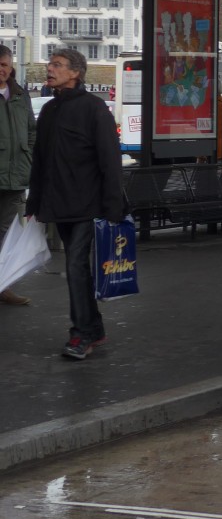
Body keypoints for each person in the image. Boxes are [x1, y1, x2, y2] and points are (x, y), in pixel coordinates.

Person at [26, 48, 124, 360]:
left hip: (88, 204)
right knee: (77, 266)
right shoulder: (51, 110)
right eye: (50, 64)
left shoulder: (94, 108)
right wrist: (35, 204)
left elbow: (110, 160)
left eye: (57, 65)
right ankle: (94, 329)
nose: (49, 68)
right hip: (61, 203)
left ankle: (81, 334)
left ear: (76, 73)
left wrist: (113, 207)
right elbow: (40, 160)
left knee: (76, 266)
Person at [0, 45, 35, 306]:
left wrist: (29, 157)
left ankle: (4, 286)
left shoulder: (21, 95)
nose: (2, 70)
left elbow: (32, 130)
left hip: (14, 177)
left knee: (8, 234)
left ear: (11, 67)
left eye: (5, 65)